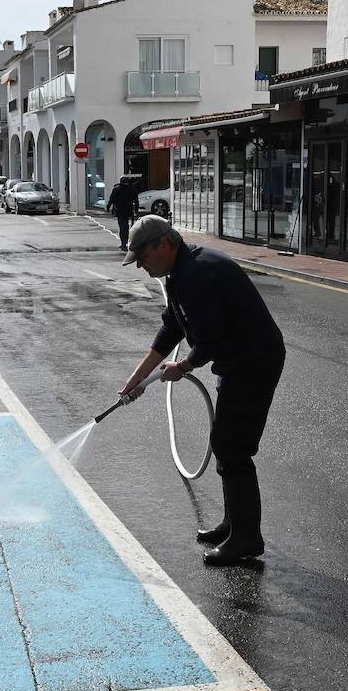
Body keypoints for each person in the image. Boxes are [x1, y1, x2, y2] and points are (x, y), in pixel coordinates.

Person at [119, 216, 286, 566]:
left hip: (253, 362)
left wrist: (182, 366)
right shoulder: (180, 273)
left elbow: (211, 340)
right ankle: (234, 524)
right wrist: (137, 378)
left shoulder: (195, 273)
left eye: (143, 258)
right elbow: (172, 328)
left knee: (232, 446)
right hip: (237, 361)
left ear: (164, 245)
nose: (142, 267)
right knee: (225, 442)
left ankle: (246, 538)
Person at [106, 174, 141, 251]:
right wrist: (136, 210)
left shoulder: (117, 189)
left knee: (122, 226)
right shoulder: (132, 189)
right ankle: (128, 241)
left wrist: (108, 207)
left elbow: (111, 199)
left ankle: (123, 243)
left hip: (120, 210)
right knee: (128, 226)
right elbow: (136, 201)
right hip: (129, 210)